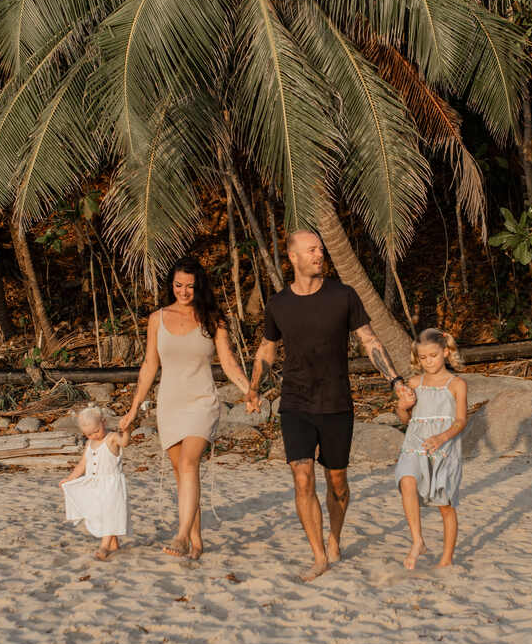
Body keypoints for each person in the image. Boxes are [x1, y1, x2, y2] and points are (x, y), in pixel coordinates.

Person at [247, 229, 416, 582]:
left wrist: (396, 381)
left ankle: (334, 538)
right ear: (292, 257)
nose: (319, 254)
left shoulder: (344, 295)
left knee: (337, 482)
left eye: (320, 249)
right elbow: (266, 348)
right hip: (295, 402)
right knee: (302, 476)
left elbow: (369, 340)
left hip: (336, 402)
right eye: (311, 250)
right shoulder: (278, 304)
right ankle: (319, 554)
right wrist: (253, 387)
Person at [119, 256, 251, 560]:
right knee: (182, 474)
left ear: (198, 287)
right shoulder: (157, 319)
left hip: (202, 402)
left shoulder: (212, 319)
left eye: (190, 286)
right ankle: (197, 542)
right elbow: (150, 366)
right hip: (170, 403)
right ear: (172, 285)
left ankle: (180, 536)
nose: (184, 291)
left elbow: (228, 362)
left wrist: (249, 390)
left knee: (190, 465)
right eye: (179, 285)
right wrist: (134, 408)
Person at [394, 328, 467, 570]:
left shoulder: (457, 384)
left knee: (445, 505)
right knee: (406, 480)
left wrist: (441, 437)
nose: (428, 362)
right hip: (415, 444)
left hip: (444, 446)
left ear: (445, 352)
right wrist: (403, 407)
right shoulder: (415, 383)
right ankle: (417, 541)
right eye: (423, 358)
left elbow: (461, 421)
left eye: (433, 356)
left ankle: (446, 559)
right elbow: (405, 419)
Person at [62, 405, 131, 560]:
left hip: (111, 485)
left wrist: (126, 430)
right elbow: (82, 465)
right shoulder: (89, 443)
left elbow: (125, 442)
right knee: (100, 513)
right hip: (95, 485)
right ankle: (113, 543)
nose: (93, 435)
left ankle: (104, 546)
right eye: (88, 434)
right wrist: (70, 478)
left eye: (96, 431)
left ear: (104, 422)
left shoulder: (112, 438)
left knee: (109, 513)